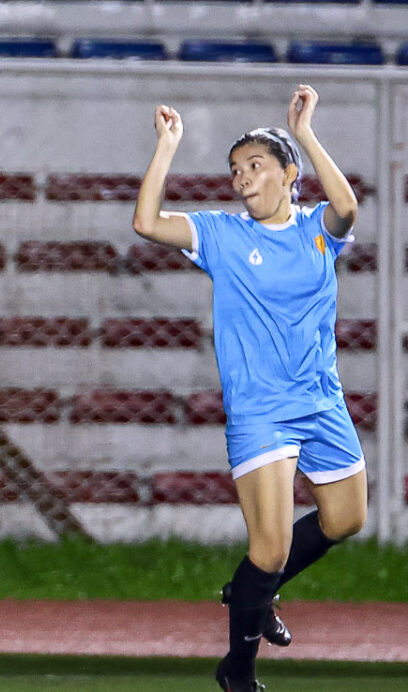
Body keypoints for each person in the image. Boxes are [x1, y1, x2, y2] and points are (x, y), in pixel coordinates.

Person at [130, 86, 364, 692]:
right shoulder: (224, 235)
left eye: (254, 166)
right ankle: (238, 668)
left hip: (321, 399)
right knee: (271, 550)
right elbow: (147, 222)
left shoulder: (318, 228)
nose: (240, 179)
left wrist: (305, 134)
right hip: (262, 411)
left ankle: (251, 593)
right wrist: (167, 147)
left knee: (346, 519)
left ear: (290, 175)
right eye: (235, 171)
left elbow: (348, 206)